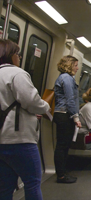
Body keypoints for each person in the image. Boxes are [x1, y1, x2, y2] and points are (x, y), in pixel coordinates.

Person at [0, 39, 50, 199]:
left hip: (2, 139)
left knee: (5, 187)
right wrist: (45, 107)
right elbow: (31, 101)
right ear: (10, 55)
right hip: (19, 140)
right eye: (18, 54)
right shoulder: (17, 73)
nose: (19, 57)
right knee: (33, 182)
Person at [53, 55, 82, 184]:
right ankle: (61, 175)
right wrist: (76, 117)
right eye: (75, 65)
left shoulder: (64, 78)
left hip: (63, 114)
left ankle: (62, 172)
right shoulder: (67, 78)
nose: (77, 68)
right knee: (62, 145)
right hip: (65, 114)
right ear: (69, 65)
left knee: (63, 145)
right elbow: (70, 99)